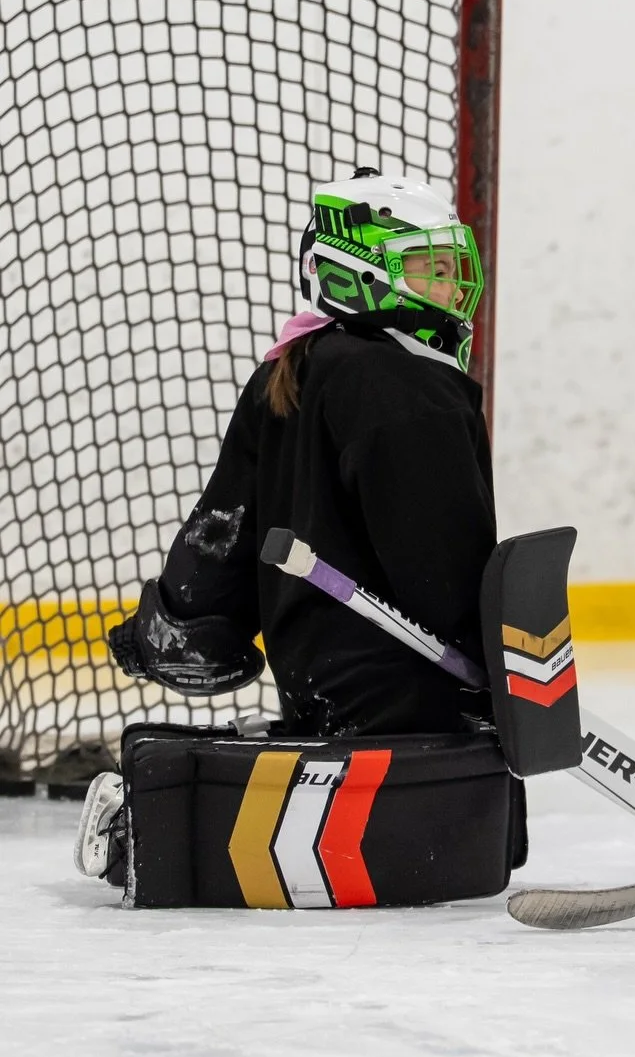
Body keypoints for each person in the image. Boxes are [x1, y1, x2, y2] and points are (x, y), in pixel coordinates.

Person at [77, 169, 507, 889]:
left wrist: (186, 619)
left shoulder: (294, 365)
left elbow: (224, 524)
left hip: (314, 678)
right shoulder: (407, 387)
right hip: (410, 693)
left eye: (450, 269)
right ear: (364, 274)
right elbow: (443, 571)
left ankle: (153, 810)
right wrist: (499, 674)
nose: (449, 288)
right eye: (429, 270)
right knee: (456, 839)